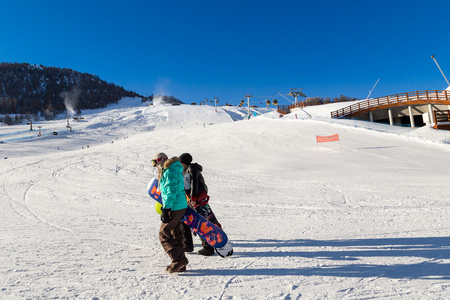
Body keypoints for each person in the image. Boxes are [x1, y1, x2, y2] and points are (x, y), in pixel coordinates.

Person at [152, 152, 189, 273]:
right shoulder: (172, 169)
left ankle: (179, 260)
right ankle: (180, 264)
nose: (156, 166)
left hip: (175, 206)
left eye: (155, 163)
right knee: (175, 232)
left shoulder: (169, 172)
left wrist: (166, 209)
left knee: (164, 233)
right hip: (179, 205)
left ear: (160, 161)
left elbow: (170, 192)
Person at [179, 153, 221, 256]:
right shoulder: (186, 169)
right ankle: (187, 245)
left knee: (199, 223)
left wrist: (193, 198)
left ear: (183, 162)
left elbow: (194, 183)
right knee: (185, 220)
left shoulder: (192, 169)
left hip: (196, 201)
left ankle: (208, 248)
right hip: (191, 200)